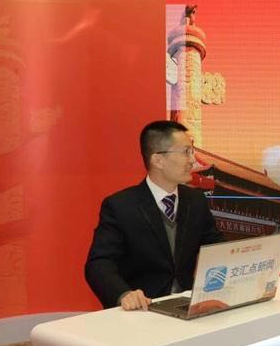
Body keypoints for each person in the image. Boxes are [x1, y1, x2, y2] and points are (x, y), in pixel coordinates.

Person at [85, 120, 223, 310]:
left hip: (189, 306)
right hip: (144, 309)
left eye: (192, 151)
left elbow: (218, 247)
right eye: (186, 152)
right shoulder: (121, 206)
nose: (192, 160)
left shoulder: (195, 200)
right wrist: (124, 294)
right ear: (158, 160)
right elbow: (99, 264)